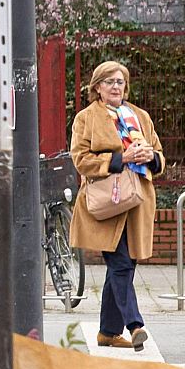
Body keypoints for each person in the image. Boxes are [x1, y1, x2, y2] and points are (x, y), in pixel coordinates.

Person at [69, 61, 165, 352]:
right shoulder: (86, 118)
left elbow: (159, 155)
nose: (115, 87)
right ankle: (135, 325)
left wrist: (150, 157)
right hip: (106, 201)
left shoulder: (140, 116)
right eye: (109, 81)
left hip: (136, 199)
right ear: (97, 87)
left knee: (125, 265)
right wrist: (122, 158)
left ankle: (108, 332)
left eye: (120, 81)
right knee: (120, 263)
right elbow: (81, 159)